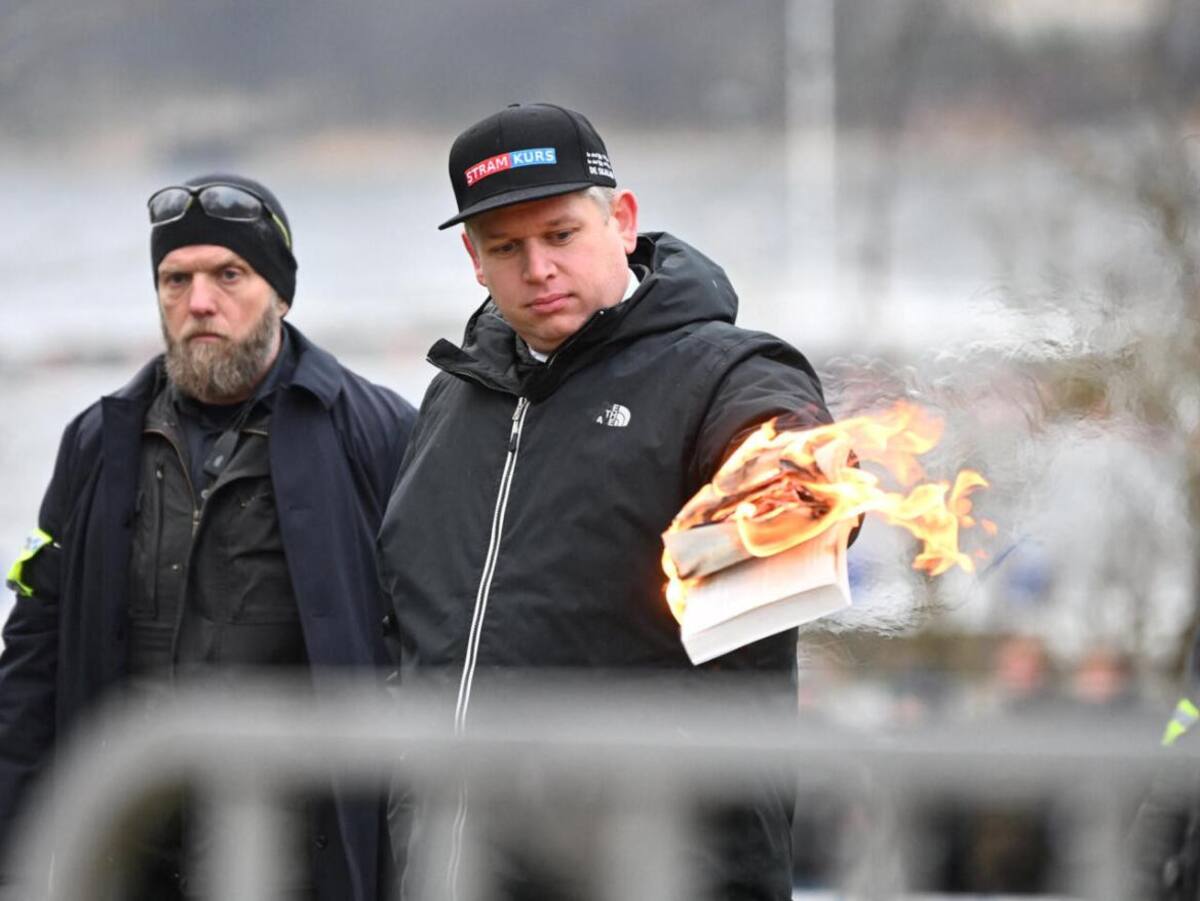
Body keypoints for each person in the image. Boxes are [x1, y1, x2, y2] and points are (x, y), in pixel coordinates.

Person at [377, 103, 834, 899]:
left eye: (561, 234)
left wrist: (787, 483)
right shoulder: (453, 399)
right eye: (506, 246)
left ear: (621, 221)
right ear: (474, 259)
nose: (538, 267)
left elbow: (792, 461)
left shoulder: (726, 373)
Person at [0, 174, 415, 900]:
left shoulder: (377, 434)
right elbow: (35, 649)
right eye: (176, 279)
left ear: (281, 292)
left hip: (299, 860)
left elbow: (432, 649)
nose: (199, 302)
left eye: (229, 275)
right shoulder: (98, 442)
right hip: (128, 848)